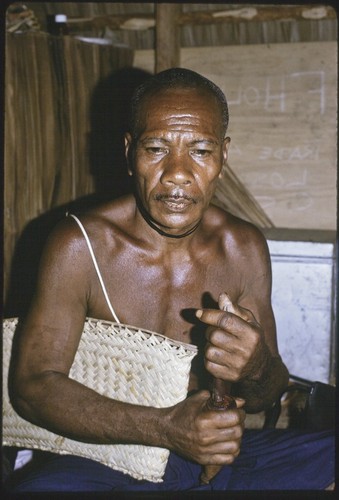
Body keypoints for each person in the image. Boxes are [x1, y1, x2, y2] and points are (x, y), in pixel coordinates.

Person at [7, 68, 334, 492]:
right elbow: (33, 387)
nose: (177, 173)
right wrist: (164, 428)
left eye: (200, 150)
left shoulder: (243, 248)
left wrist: (255, 367)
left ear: (223, 157)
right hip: (102, 460)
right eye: (156, 148)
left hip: (213, 461)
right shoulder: (80, 244)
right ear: (129, 153)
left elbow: (265, 395)